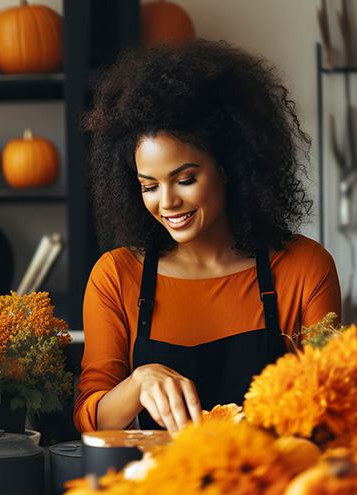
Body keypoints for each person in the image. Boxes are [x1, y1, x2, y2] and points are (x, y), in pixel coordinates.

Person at [73, 40, 341, 434]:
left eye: (185, 179)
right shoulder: (115, 277)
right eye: (149, 186)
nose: (167, 202)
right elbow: (89, 421)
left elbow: (333, 405)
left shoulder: (303, 268)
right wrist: (139, 382)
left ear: (229, 166)